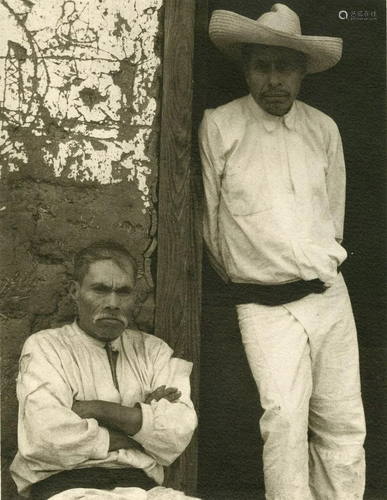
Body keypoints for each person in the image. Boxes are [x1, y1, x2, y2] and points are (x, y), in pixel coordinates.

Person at [199, 4, 366, 499]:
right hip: (263, 304)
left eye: (286, 67)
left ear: (302, 71)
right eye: (262, 66)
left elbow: (332, 218)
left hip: (329, 296)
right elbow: (210, 225)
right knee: (284, 422)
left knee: (341, 422)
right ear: (246, 68)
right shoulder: (221, 127)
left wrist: (314, 264)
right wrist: (258, 273)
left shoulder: (323, 130)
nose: (274, 80)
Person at [10, 241, 198, 500]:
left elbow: (177, 434)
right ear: (75, 292)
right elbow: (46, 438)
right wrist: (143, 429)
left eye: (123, 292)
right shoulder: (46, 347)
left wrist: (97, 409)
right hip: (69, 488)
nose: (112, 303)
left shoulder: (154, 351)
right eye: (100, 290)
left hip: (145, 490)